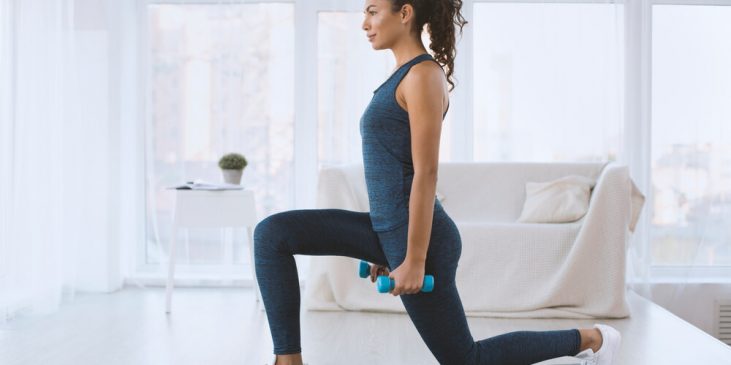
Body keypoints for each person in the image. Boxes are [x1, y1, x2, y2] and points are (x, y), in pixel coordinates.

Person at [254, 1, 622, 364]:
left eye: (372, 11)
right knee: (272, 235)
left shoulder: (423, 76)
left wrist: (413, 258)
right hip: (389, 230)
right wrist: (386, 249)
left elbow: (426, 172)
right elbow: (389, 173)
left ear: (405, 12)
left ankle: (592, 339)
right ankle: (288, 360)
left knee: (466, 360)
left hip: (423, 241)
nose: (364, 23)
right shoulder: (400, 76)